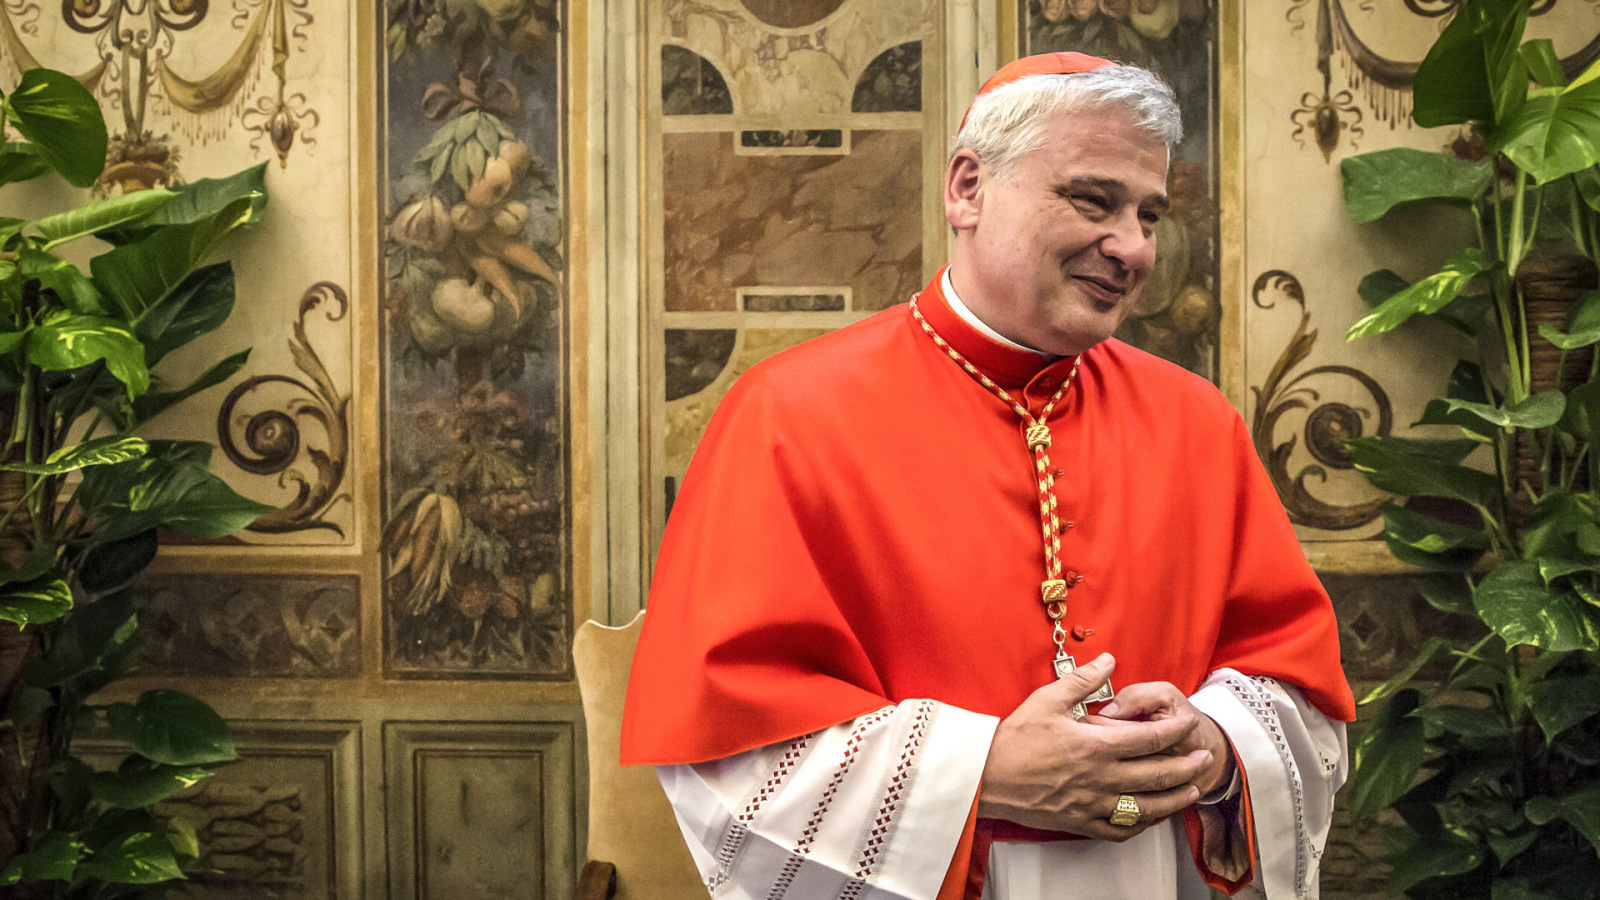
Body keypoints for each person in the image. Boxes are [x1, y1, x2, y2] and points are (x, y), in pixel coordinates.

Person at [621, 51, 1355, 900]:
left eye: (1149, 215)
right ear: (967, 189)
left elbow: (1299, 693)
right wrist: (982, 773)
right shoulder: (788, 416)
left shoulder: (1197, 423)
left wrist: (1215, 749)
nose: (1132, 247)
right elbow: (729, 749)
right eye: (1093, 201)